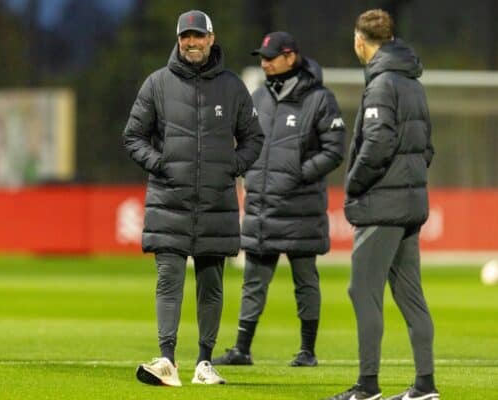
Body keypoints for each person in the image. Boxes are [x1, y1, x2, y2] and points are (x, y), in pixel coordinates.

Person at [123, 10, 264, 386]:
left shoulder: (233, 87)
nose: (192, 43)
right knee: (169, 281)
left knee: (211, 284)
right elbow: (133, 136)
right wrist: (161, 164)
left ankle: (204, 363)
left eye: (198, 36)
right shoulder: (156, 84)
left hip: (215, 202)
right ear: (178, 40)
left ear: (211, 39)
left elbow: (255, 139)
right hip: (169, 200)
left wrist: (231, 166)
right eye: (185, 37)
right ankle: (167, 361)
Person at [213, 32, 345, 367]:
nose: (265, 62)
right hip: (262, 205)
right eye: (263, 56)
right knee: (252, 282)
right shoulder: (257, 97)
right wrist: (247, 170)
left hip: (300, 208)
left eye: (271, 56)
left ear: (290, 56)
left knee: (305, 281)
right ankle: (242, 349)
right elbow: (243, 141)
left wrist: (298, 173)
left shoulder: (319, 99)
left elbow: (334, 150)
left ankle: (307, 351)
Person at [326, 9, 438, 400]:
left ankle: (367, 386)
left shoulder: (381, 84)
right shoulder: (413, 83)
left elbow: (376, 143)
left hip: (383, 205)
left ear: (361, 41)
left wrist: (355, 182)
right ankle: (425, 385)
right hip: (410, 203)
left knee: (363, 291)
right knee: (411, 295)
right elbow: (426, 147)